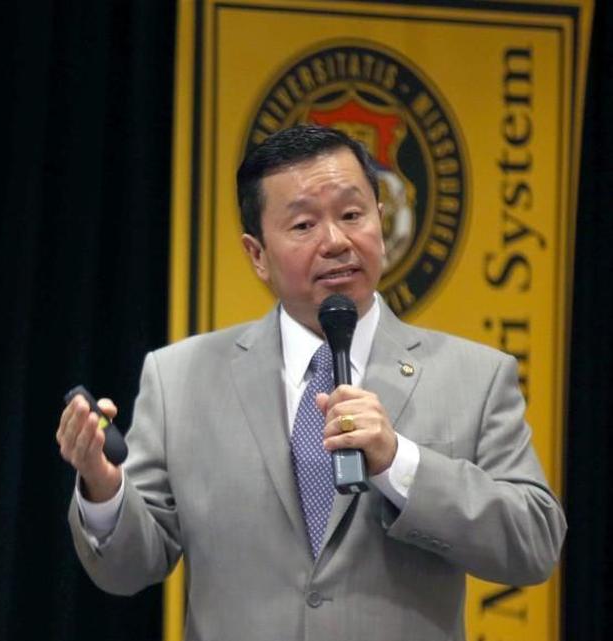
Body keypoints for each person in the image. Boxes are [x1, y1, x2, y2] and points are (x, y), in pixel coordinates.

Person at [55, 125, 565, 641]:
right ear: (257, 254)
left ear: (381, 221)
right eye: (303, 225)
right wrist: (103, 487)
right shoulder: (179, 378)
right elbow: (128, 569)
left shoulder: (475, 376)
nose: (337, 242)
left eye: (352, 215)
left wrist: (400, 463)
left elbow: (534, 543)